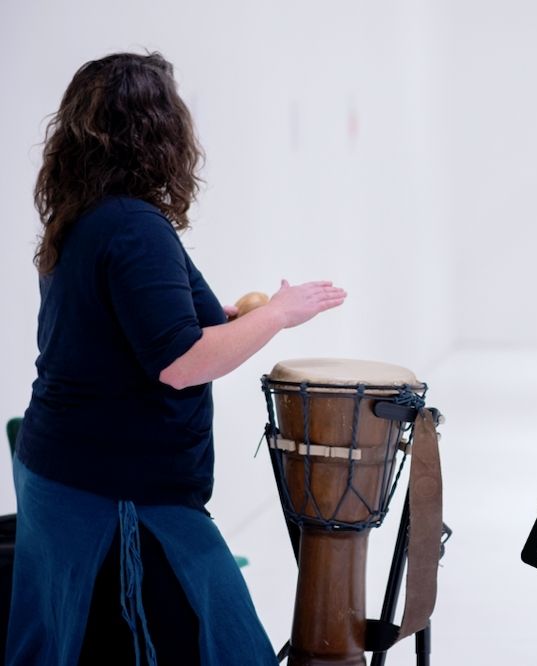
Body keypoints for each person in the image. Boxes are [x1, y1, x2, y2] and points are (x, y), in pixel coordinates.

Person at [7, 52, 347, 665]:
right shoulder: (134, 228)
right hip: (117, 492)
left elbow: (128, 339)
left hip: (66, 470)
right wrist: (278, 314)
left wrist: (239, 323)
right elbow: (180, 362)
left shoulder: (80, 219)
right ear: (160, 130)